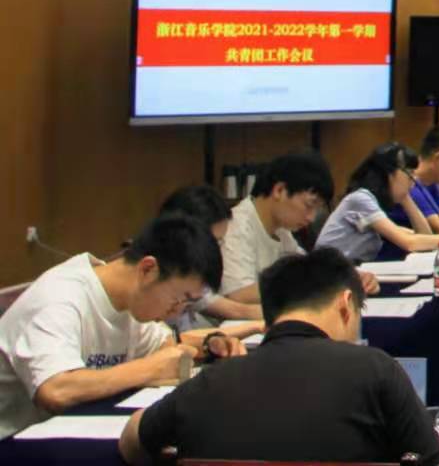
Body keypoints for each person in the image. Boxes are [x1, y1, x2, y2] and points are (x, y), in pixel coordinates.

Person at [119, 248, 439, 466]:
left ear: (269, 317)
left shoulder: (209, 381)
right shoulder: (376, 370)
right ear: (345, 304)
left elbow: (131, 440)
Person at [0, 214, 243, 439]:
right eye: (179, 299)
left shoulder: (134, 302)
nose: (176, 312)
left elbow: (166, 349)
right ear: (148, 269)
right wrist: (149, 369)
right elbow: (56, 391)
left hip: (63, 434)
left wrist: (210, 345)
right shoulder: (60, 297)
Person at [220, 149, 334, 304]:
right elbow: (240, 294)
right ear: (279, 190)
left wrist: (341, 276)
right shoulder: (238, 226)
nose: (311, 218)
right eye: (309, 205)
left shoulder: (281, 230)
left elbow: (306, 267)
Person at [315, 143, 439, 261]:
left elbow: (424, 237)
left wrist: (405, 198)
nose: (413, 182)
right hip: (329, 273)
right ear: (389, 174)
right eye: (409, 175)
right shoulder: (361, 199)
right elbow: (409, 243)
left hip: (350, 271)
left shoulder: (377, 203)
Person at [157, 185, 262, 330]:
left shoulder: (189, 274)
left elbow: (238, 310)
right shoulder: (157, 277)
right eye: (214, 242)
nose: (217, 251)